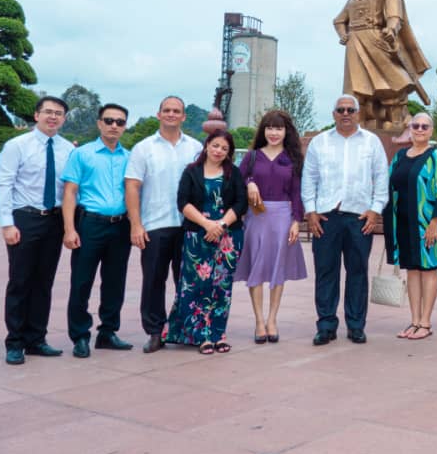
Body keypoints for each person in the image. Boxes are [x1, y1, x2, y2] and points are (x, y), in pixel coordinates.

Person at [302, 95, 388, 345]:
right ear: (334, 114)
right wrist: (311, 211)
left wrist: (375, 209)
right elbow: (309, 179)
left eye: (350, 109)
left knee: (358, 272)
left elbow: (381, 178)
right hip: (326, 217)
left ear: (358, 113)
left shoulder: (371, 142)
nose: (346, 113)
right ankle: (326, 324)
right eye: (340, 109)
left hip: (359, 218)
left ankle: (356, 324)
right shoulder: (320, 142)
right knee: (326, 272)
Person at [0, 96, 74, 365]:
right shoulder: (17, 146)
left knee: (44, 281)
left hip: (54, 220)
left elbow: (71, 190)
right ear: (36, 114)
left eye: (59, 113)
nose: (53, 117)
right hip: (25, 218)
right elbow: (3, 185)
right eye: (48, 112)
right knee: (20, 280)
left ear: (64, 118)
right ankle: (15, 341)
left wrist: (69, 226)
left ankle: (36, 338)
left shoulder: (68, 150)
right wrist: (7, 223)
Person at [125, 96, 202, 353]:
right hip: (155, 225)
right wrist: (136, 224)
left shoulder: (195, 148)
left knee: (188, 281)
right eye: (166, 110)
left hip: (189, 226)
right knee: (153, 281)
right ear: (158, 114)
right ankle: (155, 331)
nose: (171, 114)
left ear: (183, 116)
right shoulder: (143, 148)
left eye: (176, 111)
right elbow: (133, 187)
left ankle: (185, 329)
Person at [61, 103, 133, 357]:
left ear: (125, 126)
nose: (114, 125)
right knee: (82, 281)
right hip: (90, 223)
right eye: (109, 120)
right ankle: (80, 335)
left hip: (120, 225)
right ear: (99, 123)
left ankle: (107, 332)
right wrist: (69, 229)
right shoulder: (83, 154)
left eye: (120, 122)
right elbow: (69, 192)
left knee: (115, 282)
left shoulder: (130, 157)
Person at [166, 131, 247, 354]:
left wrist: (220, 225)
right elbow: (183, 202)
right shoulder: (191, 172)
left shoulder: (234, 173)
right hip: (197, 236)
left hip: (228, 238)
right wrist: (207, 224)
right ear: (207, 146)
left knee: (222, 287)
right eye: (215, 145)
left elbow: (241, 203)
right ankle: (199, 335)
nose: (218, 151)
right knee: (197, 286)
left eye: (224, 148)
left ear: (229, 152)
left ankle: (218, 334)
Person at [236, 110, 309, 344]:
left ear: (286, 131)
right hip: (256, 217)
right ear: (263, 131)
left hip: (283, 217)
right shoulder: (252, 157)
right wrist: (249, 184)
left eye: (278, 128)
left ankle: (272, 319)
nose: (274, 133)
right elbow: (237, 181)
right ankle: (258, 321)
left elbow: (298, 193)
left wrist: (297, 221)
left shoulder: (293, 158)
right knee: (256, 268)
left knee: (278, 269)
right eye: (269, 128)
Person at [333, 0, 430, 129]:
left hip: (378, 40)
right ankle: (360, 121)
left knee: (393, 81)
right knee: (356, 87)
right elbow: (339, 20)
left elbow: (394, 17)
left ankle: (397, 120)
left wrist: (391, 29)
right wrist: (343, 35)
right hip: (354, 44)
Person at [383, 112, 437, 340]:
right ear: (410, 129)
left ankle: (426, 322)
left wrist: (434, 222)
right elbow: (390, 185)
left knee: (428, 269)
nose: (420, 129)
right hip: (403, 223)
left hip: (427, 223)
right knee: (412, 270)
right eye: (416, 125)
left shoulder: (436, 157)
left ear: (431, 131)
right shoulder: (400, 156)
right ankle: (414, 320)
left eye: (425, 126)